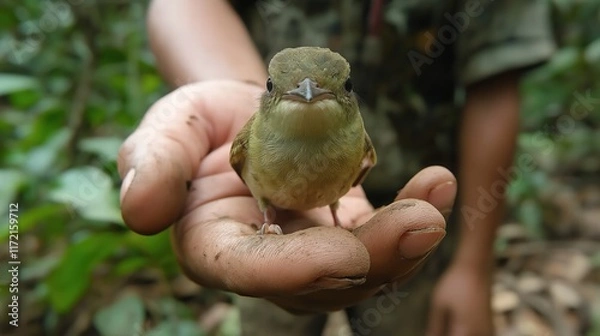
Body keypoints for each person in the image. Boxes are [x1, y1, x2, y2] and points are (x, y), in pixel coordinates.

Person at [118, 0, 555, 335]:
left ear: (349, 96)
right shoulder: (250, 140)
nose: (307, 93)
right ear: (267, 95)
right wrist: (265, 216)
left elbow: (496, 84)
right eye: (280, 88)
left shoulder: (357, 144)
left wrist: (473, 269)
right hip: (270, 229)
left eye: (334, 88)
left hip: (418, 216)